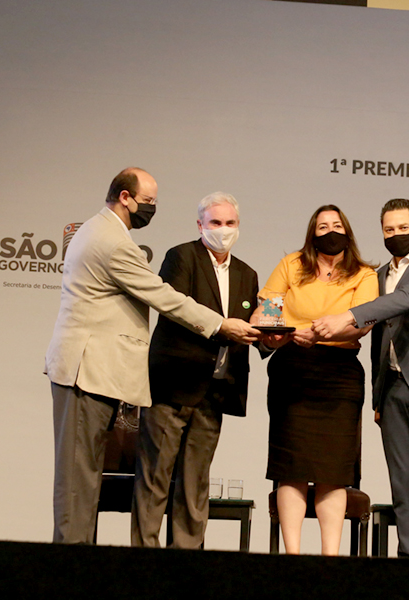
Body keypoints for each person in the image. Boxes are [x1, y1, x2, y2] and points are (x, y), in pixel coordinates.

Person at [45, 168, 259, 544]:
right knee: (78, 481)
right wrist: (221, 325)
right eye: (148, 201)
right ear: (125, 197)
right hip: (86, 369)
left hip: (96, 371)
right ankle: (71, 566)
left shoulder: (106, 232)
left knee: (84, 476)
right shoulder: (111, 241)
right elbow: (163, 297)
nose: (152, 208)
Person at [313, 198, 409, 560]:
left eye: (403, 228)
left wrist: (349, 316)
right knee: (402, 489)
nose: (396, 235)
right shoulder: (379, 275)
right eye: (389, 229)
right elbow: (378, 339)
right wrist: (378, 398)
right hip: (394, 389)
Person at [131, 192, 263, 548]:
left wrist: (269, 336)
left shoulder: (246, 273)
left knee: (195, 482)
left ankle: (186, 560)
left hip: (215, 390)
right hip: (173, 384)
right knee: (155, 477)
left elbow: (250, 327)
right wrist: (222, 325)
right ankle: (143, 558)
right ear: (200, 225)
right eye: (215, 223)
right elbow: (177, 309)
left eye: (230, 223)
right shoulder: (181, 256)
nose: (223, 230)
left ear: (239, 226)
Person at [253, 205, 378, 555]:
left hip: (340, 372)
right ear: (312, 233)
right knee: (291, 465)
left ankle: (329, 558)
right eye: (322, 226)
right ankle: (292, 556)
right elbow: (269, 306)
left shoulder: (365, 274)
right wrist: (268, 328)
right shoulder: (292, 264)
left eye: (337, 225)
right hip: (292, 367)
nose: (330, 231)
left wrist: (324, 329)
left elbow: (364, 320)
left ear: (348, 232)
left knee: (333, 468)